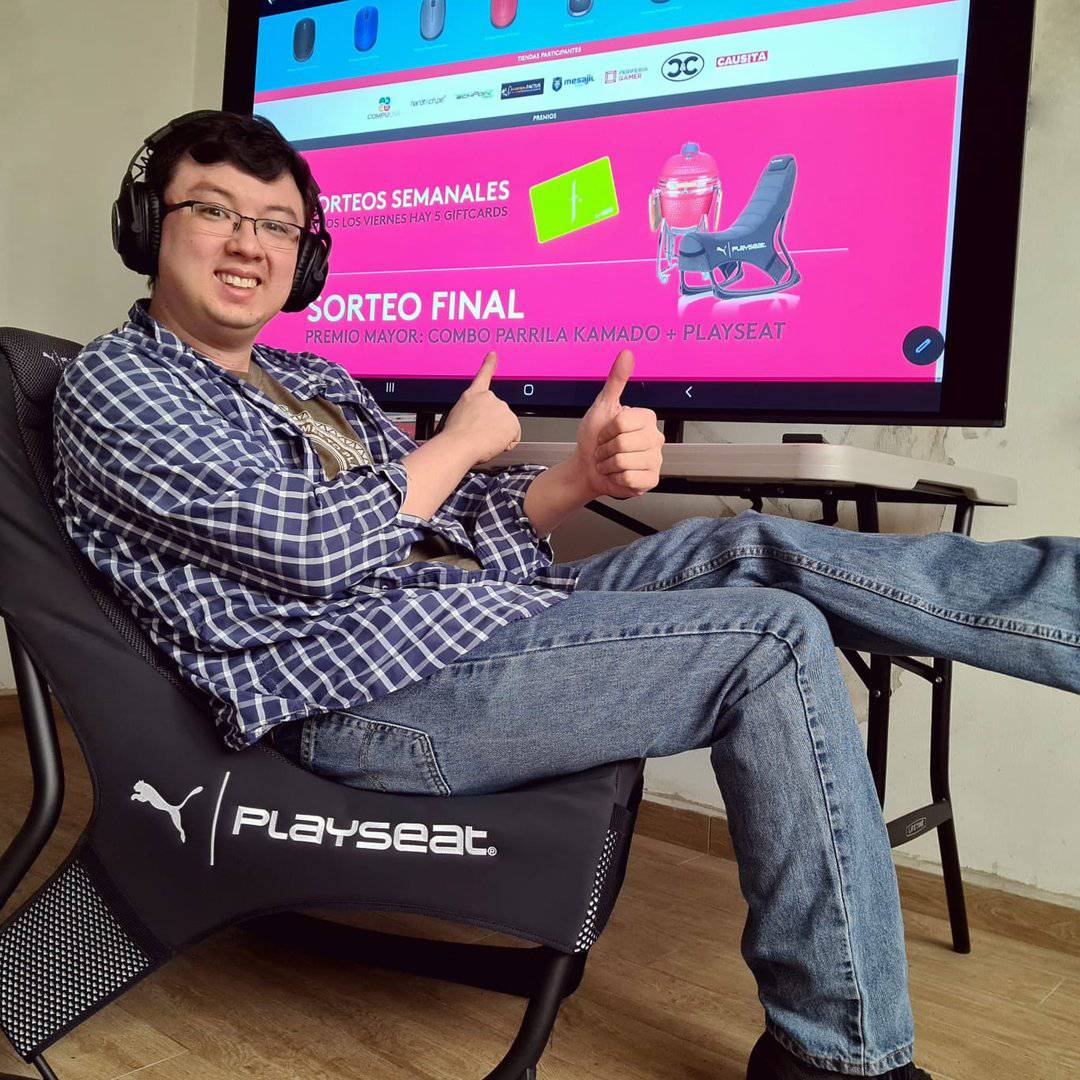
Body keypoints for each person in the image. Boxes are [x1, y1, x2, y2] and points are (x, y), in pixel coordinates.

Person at [52, 111, 1078, 1080]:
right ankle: (833, 1056)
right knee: (771, 642)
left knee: (743, 544)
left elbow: (450, 522)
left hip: (462, 623)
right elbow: (310, 546)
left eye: (277, 224)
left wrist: (577, 479)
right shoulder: (121, 383)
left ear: (302, 255)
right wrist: (457, 442)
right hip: (363, 697)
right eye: (215, 211)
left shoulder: (310, 379)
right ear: (149, 226)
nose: (248, 244)